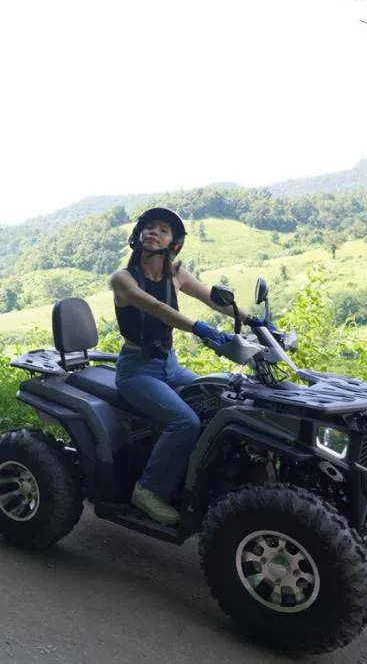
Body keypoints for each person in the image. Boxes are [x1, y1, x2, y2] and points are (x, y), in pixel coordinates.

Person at [108, 207, 259, 526]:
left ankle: (201, 481)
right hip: (136, 370)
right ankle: (148, 490)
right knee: (184, 422)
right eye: (149, 228)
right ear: (138, 235)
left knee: (219, 403)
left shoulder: (176, 273)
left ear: (173, 242)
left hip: (169, 365)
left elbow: (212, 297)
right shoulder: (123, 278)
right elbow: (155, 306)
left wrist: (250, 320)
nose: (153, 232)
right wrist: (200, 328)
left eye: (162, 230)